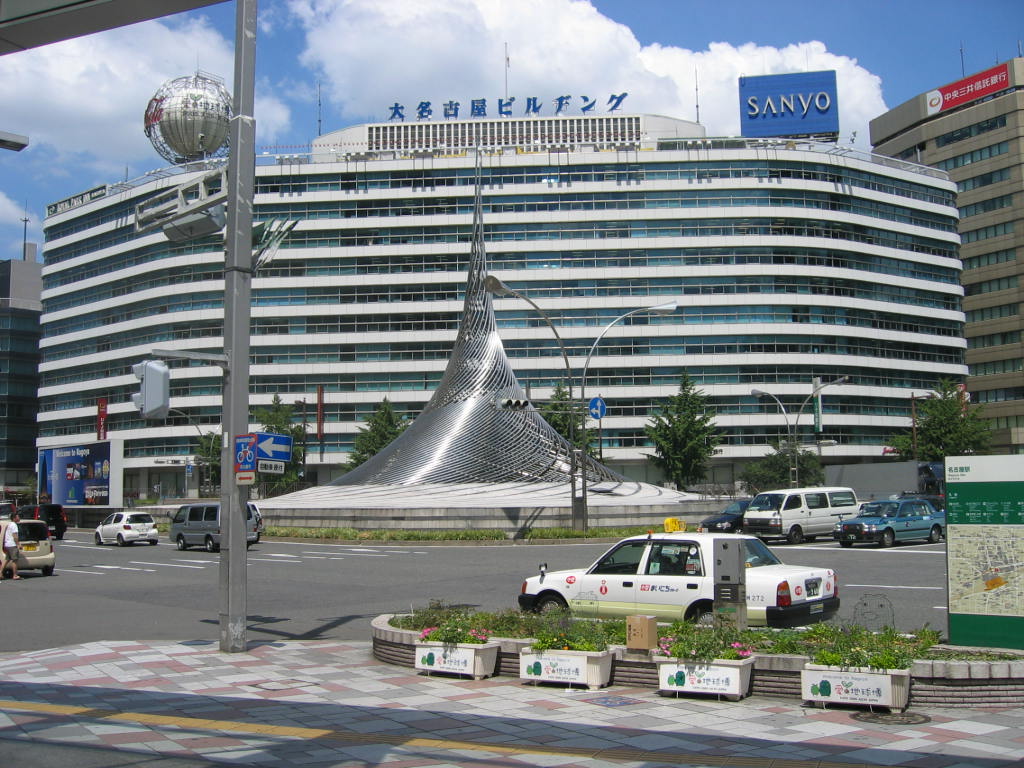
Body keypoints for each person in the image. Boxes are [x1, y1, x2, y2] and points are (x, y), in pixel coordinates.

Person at [3, 511, 20, 580]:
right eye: (18, 517)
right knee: (15, 560)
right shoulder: (14, 525)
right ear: (14, 518)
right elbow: (15, 536)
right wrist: (18, 544)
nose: (19, 518)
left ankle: (0, 573)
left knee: (7, 559)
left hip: (8, 544)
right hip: (12, 545)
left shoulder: (9, 524)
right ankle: (15, 575)